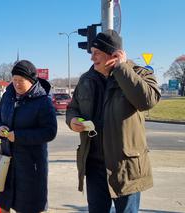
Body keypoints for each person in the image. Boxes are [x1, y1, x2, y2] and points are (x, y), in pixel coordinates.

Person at [66, 30, 161, 213]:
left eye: (96, 53)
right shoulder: (86, 79)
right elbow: (72, 108)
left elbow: (147, 101)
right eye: (91, 53)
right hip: (94, 164)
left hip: (125, 166)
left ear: (113, 54)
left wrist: (122, 68)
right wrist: (73, 121)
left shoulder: (136, 73)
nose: (92, 58)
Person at [0, 60, 57, 213]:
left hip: (30, 167)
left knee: (28, 207)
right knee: (1, 205)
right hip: (6, 163)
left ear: (31, 80)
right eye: (14, 80)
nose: (16, 84)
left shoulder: (42, 101)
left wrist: (19, 136)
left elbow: (50, 131)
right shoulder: (8, 97)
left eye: (21, 81)